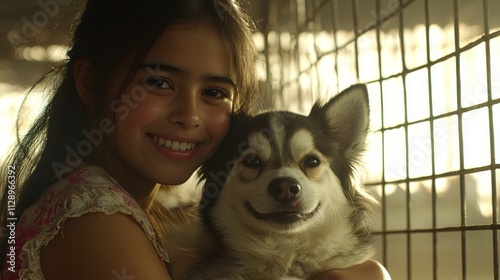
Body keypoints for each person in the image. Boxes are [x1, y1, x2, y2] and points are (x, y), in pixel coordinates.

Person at [0, 0, 390, 279]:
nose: (189, 115)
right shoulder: (94, 219)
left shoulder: (119, 209)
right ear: (89, 81)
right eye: (157, 82)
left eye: (215, 93)